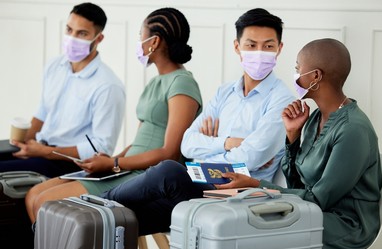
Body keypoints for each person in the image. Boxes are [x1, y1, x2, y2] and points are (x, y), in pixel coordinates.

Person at [100, 8, 295, 236]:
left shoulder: (282, 100)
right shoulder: (225, 93)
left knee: (168, 172)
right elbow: (188, 143)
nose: (260, 53)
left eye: (268, 46)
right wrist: (227, 142)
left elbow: (251, 157)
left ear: (279, 49)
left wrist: (207, 153)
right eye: (251, 45)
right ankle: (97, 217)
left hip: (240, 195)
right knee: (120, 220)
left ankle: (100, 202)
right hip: (203, 186)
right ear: (237, 47)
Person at [25, 7, 203, 224]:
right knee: (34, 195)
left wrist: (115, 163)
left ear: (154, 42)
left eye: (141, 36)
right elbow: (140, 142)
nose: (139, 42)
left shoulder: (182, 83)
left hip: (146, 176)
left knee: (46, 201)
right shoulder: (156, 81)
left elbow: (170, 153)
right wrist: (109, 161)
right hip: (128, 169)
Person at [216, 38, 382, 249]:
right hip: (313, 212)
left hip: (345, 224)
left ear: (315, 76)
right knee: (244, 221)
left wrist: (256, 185)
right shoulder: (314, 119)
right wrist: (292, 136)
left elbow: (318, 200)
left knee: (256, 234)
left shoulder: (353, 130)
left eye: (297, 69)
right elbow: (298, 186)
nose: (294, 75)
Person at [0, 3, 126, 178]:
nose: (72, 37)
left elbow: (101, 147)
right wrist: (21, 144)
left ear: (99, 38)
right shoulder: (54, 66)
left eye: (82, 33)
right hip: (40, 149)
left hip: (69, 164)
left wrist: (45, 152)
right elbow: (42, 113)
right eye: (69, 30)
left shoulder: (108, 86)